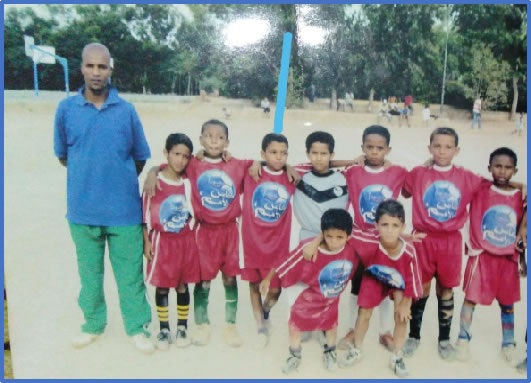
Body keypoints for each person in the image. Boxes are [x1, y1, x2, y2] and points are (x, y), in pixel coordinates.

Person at [53, 43, 154, 353]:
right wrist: (91, 176)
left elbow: (139, 158)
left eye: (102, 67)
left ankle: (137, 327)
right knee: (90, 276)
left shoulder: (126, 110)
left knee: (130, 276)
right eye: (90, 66)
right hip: (82, 212)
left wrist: (116, 180)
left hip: (124, 212)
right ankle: (93, 324)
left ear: (111, 69)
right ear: (81, 68)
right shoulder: (66, 109)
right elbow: (63, 155)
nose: (96, 72)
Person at [401, 127, 485, 361]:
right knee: (421, 288)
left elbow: (494, 186)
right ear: (429, 148)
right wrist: (425, 165)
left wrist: (521, 186)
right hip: (422, 238)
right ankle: (414, 335)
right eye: (437, 146)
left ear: (457, 150)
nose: (442, 151)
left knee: (446, 289)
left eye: (448, 147)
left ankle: (444, 339)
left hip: (450, 241)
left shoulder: (466, 177)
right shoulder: (418, 173)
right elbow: (405, 192)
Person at [260, 209, 359, 374]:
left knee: (331, 326)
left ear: (348, 236)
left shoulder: (351, 249)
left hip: (330, 299)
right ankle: (294, 355)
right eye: (329, 236)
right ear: (323, 234)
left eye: (339, 237)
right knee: (295, 327)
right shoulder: (309, 251)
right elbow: (284, 263)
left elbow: (374, 236)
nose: (334, 242)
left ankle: (330, 352)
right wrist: (268, 279)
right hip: (307, 298)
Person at [340, 125, 408, 351]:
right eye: (369, 147)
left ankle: (385, 331)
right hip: (360, 240)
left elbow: (417, 182)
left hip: (386, 242)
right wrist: (352, 160)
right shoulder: (353, 171)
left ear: (388, 149)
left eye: (380, 148)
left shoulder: (397, 172)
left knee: (386, 285)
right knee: (357, 285)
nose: (374, 152)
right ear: (362, 148)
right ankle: (351, 328)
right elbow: (322, 168)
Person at [455, 148, 525, 365]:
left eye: (507, 167)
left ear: (515, 170)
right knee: (471, 299)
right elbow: (458, 174)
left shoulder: (520, 196)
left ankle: (508, 343)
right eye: (497, 166)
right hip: (482, 256)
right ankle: (463, 339)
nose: (502, 171)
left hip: (507, 259)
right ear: (489, 168)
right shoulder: (480, 188)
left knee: (507, 303)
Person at [340, 199, 423, 377]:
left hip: (398, 282)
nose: (390, 230)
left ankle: (397, 356)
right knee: (364, 314)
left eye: (395, 225)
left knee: (401, 316)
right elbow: (345, 229)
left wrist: (405, 303)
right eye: (384, 225)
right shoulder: (369, 240)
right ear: (376, 225)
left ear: (402, 227)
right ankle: (357, 349)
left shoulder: (409, 251)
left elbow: (412, 280)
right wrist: (316, 242)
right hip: (375, 276)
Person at [142, 133, 199, 350]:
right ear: (166, 153)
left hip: (184, 243)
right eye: (176, 154)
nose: (180, 160)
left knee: (182, 286)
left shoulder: (187, 183)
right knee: (163, 286)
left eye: (185, 156)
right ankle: (164, 329)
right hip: (161, 243)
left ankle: (182, 327)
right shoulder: (154, 183)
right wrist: (147, 242)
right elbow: (144, 217)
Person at [240, 133, 296, 348]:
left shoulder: (292, 176)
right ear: (263, 154)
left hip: (278, 246)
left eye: (284, 154)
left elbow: (322, 163)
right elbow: (218, 159)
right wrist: (155, 170)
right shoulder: (250, 171)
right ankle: (260, 325)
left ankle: (265, 310)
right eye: (273, 153)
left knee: (275, 289)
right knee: (254, 284)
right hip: (252, 242)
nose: (279, 157)